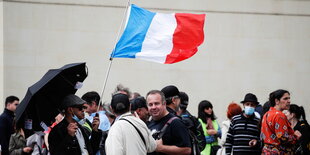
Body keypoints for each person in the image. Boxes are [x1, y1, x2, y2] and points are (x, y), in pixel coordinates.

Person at [147, 90, 191, 155]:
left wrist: (161, 148)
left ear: (164, 104)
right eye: (150, 104)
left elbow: (187, 150)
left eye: (156, 103)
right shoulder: (149, 124)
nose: (153, 107)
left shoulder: (176, 123)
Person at [261, 89, 301, 154]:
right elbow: (283, 137)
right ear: (277, 101)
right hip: (278, 152)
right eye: (285, 99)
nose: (289, 101)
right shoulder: (279, 115)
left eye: (289, 98)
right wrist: (296, 136)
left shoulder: (266, 114)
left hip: (266, 151)